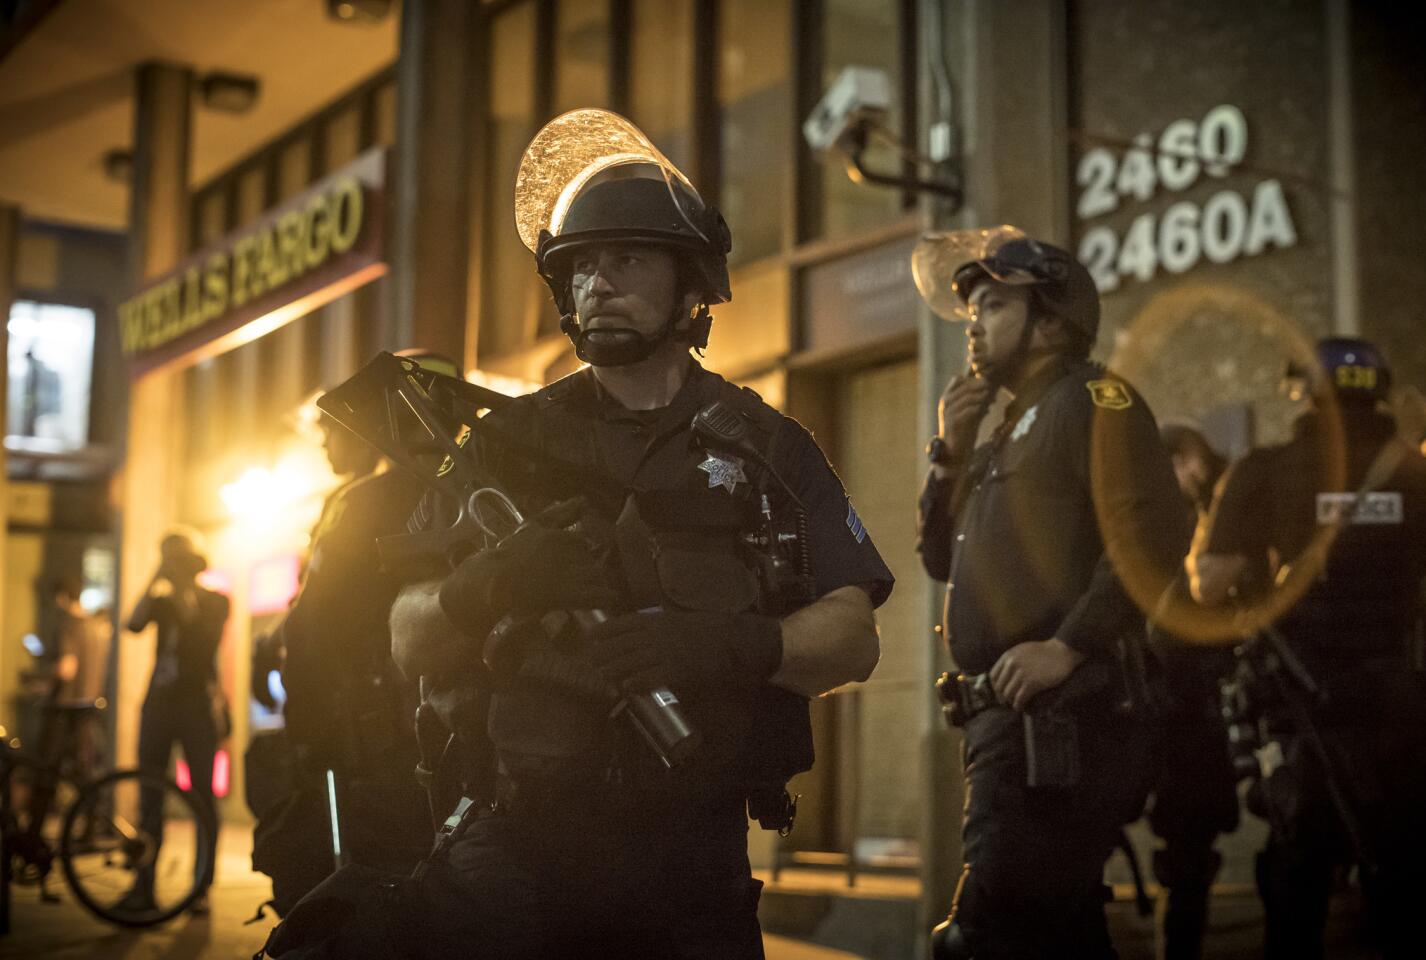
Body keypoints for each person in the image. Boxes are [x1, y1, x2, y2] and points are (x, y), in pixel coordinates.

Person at [263, 111, 892, 960]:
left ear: (690, 283)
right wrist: (483, 586)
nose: (599, 283)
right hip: (511, 856)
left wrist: (725, 646)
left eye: (627, 260)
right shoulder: (501, 444)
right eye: (582, 268)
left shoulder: (767, 448)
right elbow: (408, 639)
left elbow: (852, 636)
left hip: (691, 863)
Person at [916, 228, 1191, 959]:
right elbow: (939, 558)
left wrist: (1069, 647)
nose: (974, 320)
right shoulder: (1008, 427)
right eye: (971, 306)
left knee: (985, 934)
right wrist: (950, 454)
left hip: (1062, 724)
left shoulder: (1096, 401)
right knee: (1059, 935)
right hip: (1005, 722)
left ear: (1052, 320)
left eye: (995, 303)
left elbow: (1157, 535)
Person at [1192, 337, 1426, 960]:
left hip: (1300, 706)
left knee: (1296, 875)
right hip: (1399, 707)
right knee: (1403, 872)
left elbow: (1210, 583)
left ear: (1303, 392)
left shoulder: (1264, 470)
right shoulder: (1422, 474)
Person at [249, 357, 450, 917]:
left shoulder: (360, 504)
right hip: (449, 733)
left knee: (344, 890)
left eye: (333, 428)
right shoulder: (462, 489)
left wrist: (308, 733)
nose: (324, 444)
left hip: (367, 740)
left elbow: (316, 625)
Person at [1147, 422, 1240, 960]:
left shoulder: (1217, 509)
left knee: (1188, 846)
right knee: (1184, 847)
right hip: (1176, 699)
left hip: (1198, 702)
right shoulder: (1180, 513)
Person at [123, 528, 230, 915]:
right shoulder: (161, 601)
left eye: (176, 559)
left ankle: (200, 886)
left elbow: (201, 639)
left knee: (202, 796)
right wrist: (155, 579)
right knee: (149, 792)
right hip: (158, 706)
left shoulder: (216, 602)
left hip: (196, 706)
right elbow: (132, 623)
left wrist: (180, 583)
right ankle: (143, 885)